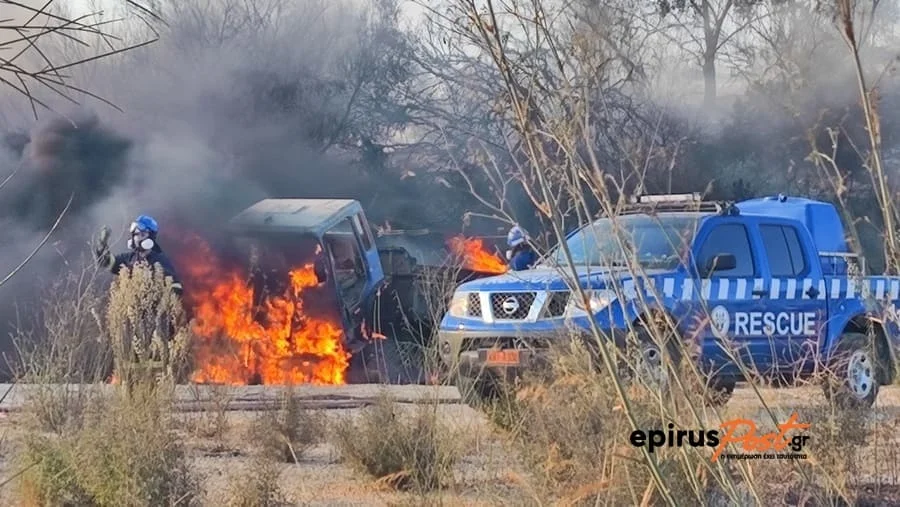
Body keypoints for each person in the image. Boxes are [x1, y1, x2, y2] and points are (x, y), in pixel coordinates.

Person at [94, 215, 183, 295]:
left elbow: (176, 288)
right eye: (136, 234)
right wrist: (102, 247)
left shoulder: (159, 260)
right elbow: (107, 263)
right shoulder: (129, 258)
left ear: (151, 237)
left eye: (142, 234)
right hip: (130, 310)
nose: (137, 238)